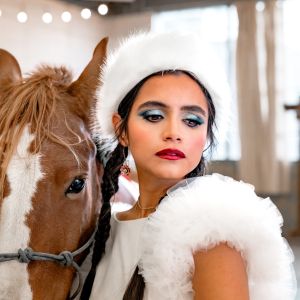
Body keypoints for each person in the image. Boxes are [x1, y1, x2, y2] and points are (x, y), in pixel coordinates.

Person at [80, 31, 297, 300]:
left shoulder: (211, 231)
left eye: (192, 121)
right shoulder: (102, 233)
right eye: (154, 115)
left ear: (206, 136)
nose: (174, 132)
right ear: (121, 129)